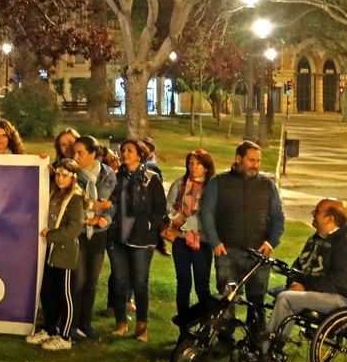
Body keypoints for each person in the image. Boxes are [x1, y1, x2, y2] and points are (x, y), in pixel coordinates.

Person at [200, 140, 284, 343]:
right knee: (227, 299)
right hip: (228, 251)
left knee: (257, 301)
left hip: (258, 254)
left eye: (258, 161)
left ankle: (255, 344)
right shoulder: (218, 183)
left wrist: (272, 242)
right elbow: (207, 214)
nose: (255, 164)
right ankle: (224, 341)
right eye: (251, 160)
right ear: (238, 158)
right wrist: (215, 242)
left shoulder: (267, 185)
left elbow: (278, 217)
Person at [267, 199, 347, 351]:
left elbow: (341, 281)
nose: (313, 212)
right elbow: (300, 263)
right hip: (319, 291)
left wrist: (305, 286)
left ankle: (269, 349)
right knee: (275, 292)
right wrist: (294, 281)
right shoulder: (318, 237)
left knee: (285, 298)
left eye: (317, 211)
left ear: (330, 219)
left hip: (341, 298)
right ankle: (270, 342)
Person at [107, 138, 168, 342]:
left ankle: (142, 326)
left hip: (141, 238)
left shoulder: (150, 178)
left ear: (140, 155)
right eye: (123, 150)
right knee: (120, 280)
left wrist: (150, 224)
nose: (125, 154)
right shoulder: (117, 178)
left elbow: (160, 208)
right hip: (118, 236)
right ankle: (121, 323)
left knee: (140, 282)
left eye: (130, 150)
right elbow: (111, 203)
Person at [28, 159, 87, 351]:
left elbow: (75, 228)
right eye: (58, 174)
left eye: (65, 175)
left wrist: (51, 235)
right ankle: (50, 328)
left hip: (64, 253)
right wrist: (42, 164)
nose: (60, 178)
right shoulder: (54, 192)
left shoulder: (76, 198)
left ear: (73, 177)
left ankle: (65, 335)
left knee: (66, 295)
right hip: (49, 252)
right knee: (49, 292)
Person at [70, 136, 116, 341]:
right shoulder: (72, 173)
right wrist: (93, 207)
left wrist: (105, 217)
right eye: (74, 152)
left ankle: (85, 323)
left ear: (93, 154)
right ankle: (71, 323)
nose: (75, 156)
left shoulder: (108, 174)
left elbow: (112, 202)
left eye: (80, 152)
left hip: (98, 235)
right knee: (77, 280)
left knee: (92, 281)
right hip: (78, 233)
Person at [168, 149, 216, 315]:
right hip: (181, 239)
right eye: (191, 164)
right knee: (183, 283)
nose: (193, 167)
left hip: (202, 241)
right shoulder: (180, 184)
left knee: (202, 285)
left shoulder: (212, 187)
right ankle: (184, 326)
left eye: (198, 164)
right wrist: (175, 217)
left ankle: (204, 326)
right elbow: (168, 205)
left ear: (206, 167)